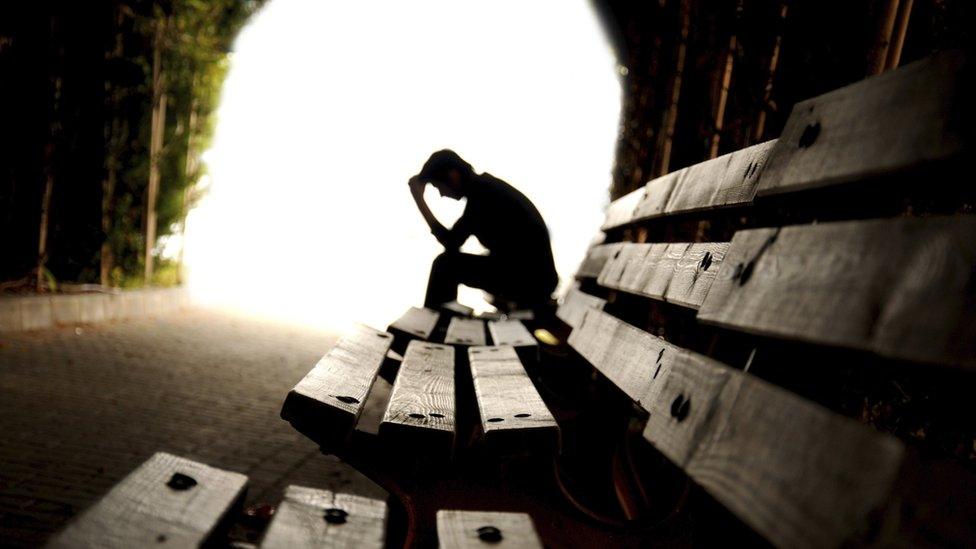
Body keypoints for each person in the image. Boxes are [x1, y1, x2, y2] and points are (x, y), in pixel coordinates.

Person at [408, 149, 558, 312]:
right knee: (449, 264)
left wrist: (420, 201)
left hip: (533, 282)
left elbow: (452, 243)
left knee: (445, 266)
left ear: (453, 176)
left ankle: (431, 325)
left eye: (439, 187)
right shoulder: (484, 189)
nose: (442, 194)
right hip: (534, 278)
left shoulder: (482, 196)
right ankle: (438, 321)